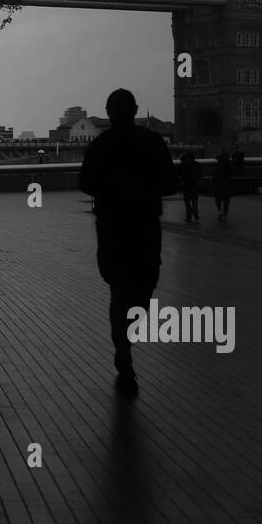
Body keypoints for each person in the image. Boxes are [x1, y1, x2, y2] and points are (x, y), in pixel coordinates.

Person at [79, 88, 179, 397]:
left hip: (112, 230)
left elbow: (85, 182)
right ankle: (125, 347)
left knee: (119, 292)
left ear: (109, 112)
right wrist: (143, 189)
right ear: (135, 109)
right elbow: (170, 184)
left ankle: (122, 348)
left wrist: (113, 186)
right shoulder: (152, 143)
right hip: (144, 230)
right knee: (141, 292)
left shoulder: (100, 146)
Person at [179, 150, 201, 223]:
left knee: (187, 201)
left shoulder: (183, 165)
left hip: (186, 185)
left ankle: (189, 217)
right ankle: (195, 212)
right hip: (194, 184)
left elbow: (179, 174)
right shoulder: (197, 164)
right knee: (194, 200)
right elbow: (199, 174)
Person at [212, 150, 232, 220]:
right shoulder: (229, 167)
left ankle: (219, 211)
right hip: (226, 184)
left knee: (218, 198)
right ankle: (225, 212)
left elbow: (214, 176)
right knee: (226, 199)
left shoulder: (217, 167)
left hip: (218, 184)